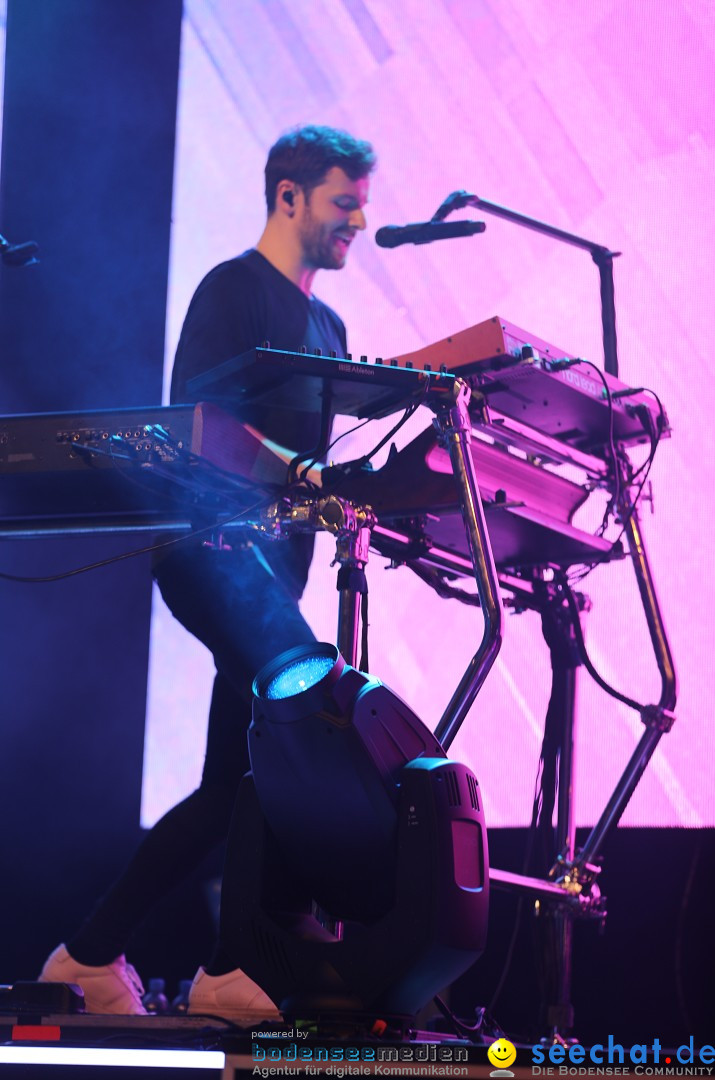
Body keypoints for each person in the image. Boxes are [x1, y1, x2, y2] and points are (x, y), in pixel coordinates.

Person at [39, 125, 375, 1021]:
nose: (359, 221)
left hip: (276, 574)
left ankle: (87, 956)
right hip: (212, 558)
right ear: (289, 195)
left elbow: (320, 462)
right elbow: (200, 425)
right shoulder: (233, 290)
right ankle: (231, 967)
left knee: (235, 782)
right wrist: (306, 478)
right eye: (345, 202)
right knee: (300, 728)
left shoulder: (331, 325)